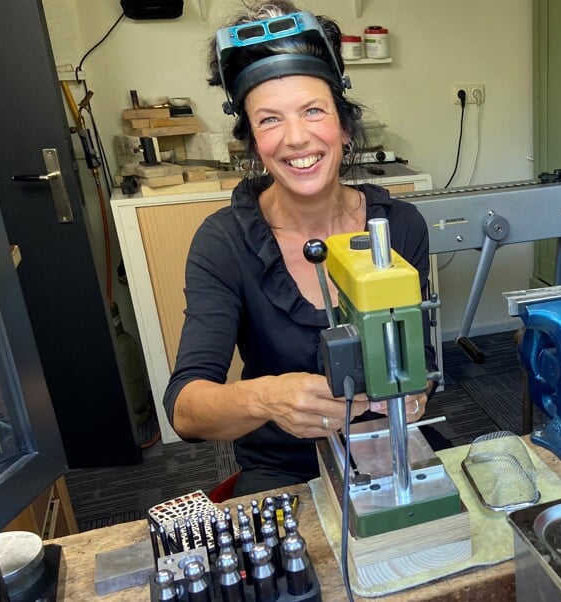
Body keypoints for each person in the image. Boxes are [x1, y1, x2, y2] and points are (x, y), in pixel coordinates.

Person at [163, 0, 440, 496]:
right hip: (284, 468)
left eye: (313, 111)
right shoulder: (224, 242)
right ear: (251, 141)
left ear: (344, 126)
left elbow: (416, 360)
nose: (296, 138)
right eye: (269, 120)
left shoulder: (400, 226)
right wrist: (268, 399)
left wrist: (416, 392)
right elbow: (185, 409)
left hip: (391, 444)